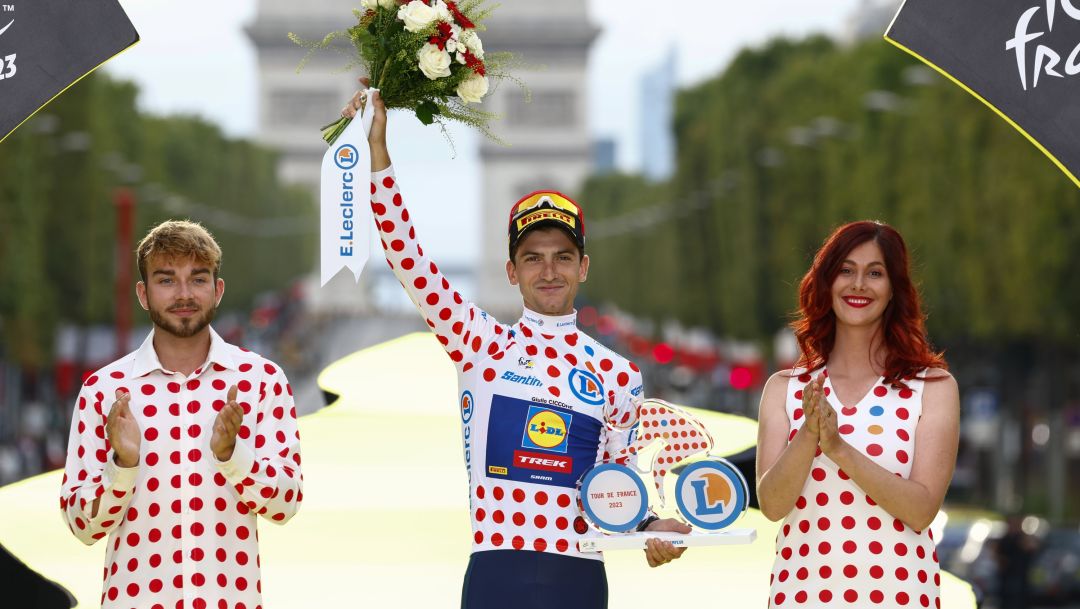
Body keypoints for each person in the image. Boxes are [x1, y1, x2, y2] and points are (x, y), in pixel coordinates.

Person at [343, 84, 688, 609]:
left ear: (583, 267)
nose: (549, 271)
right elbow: (406, 257)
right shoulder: (479, 343)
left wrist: (653, 530)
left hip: (579, 578)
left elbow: (618, 492)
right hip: (496, 572)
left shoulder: (620, 375)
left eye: (563, 256)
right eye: (532, 257)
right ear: (511, 271)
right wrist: (376, 151)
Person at [59, 220, 303, 609]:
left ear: (218, 290)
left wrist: (231, 456)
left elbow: (285, 504)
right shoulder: (104, 391)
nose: (184, 294)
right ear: (143, 293)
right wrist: (123, 466)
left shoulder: (260, 381)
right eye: (167, 280)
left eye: (198, 279)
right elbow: (82, 526)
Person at [755, 220, 959, 607]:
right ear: (826, 282)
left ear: (894, 288)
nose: (859, 284)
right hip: (804, 593)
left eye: (875, 273)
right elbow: (773, 505)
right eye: (846, 270)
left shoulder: (932, 388)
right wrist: (809, 434)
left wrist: (838, 448)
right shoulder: (785, 388)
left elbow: (920, 510)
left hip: (900, 595)